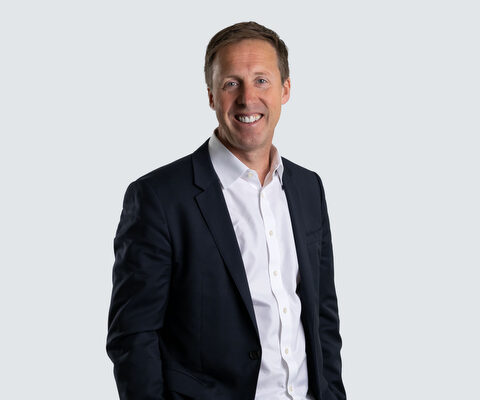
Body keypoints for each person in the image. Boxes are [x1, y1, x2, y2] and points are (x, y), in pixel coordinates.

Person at [107, 21, 346, 400]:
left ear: (285, 89)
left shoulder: (308, 188)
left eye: (262, 81)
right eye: (231, 83)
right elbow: (133, 337)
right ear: (211, 96)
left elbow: (322, 316)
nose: (248, 98)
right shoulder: (158, 197)